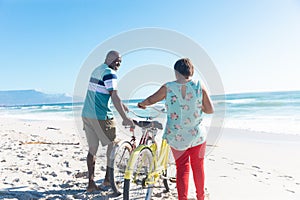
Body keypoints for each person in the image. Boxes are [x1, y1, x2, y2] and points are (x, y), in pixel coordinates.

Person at [137, 58, 214, 200]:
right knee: (198, 167)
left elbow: (151, 100)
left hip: (177, 136)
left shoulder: (169, 87)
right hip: (197, 135)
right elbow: (210, 109)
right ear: (191, 71)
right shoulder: (199, 85)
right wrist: (197, 106)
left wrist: (142, 104)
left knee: (182, 168)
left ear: (176, 72)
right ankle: (201, 197)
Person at [81, 50, 134, 192]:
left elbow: (105, 92)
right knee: (114, 144)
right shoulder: (110, 73)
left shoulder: (97, 70)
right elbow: (114, 95)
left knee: (93, 149)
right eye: (116, 60)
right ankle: (108, 179)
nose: (118, 63)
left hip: (87, 114)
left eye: (120, 61)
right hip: (101, 116)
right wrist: (125, 118)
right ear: (108, 59)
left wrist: (122, 106)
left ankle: (91, 184)